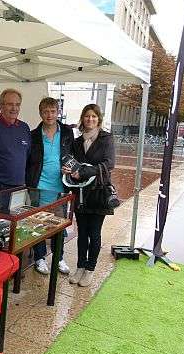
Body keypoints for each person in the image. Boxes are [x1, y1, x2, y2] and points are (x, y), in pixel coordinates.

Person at [62, 104, 115, 287]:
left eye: (93, 116)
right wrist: (69, 170)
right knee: (82, 233)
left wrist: (83, 172)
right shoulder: (77, 142)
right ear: (82, 119)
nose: (90, 119)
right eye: (87, 116)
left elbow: (109, 164)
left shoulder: (106, 139)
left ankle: (90, 269)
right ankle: (80, 267)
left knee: (94, 232)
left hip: (98, 193)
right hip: (81, 194)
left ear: (98, 119)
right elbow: (73, 164)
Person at [26, 97, 74, 275]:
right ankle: (39, 258)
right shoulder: (33, 135)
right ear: (40, 113)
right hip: (38, 187)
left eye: (53, 111)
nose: (49, 115)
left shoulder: (68, 132)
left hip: (60, 187)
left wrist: (70, 168)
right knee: (38, 224)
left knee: (58, 226)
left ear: (57, 112)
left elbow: (73, 156)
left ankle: (59, 257)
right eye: (45, 111)